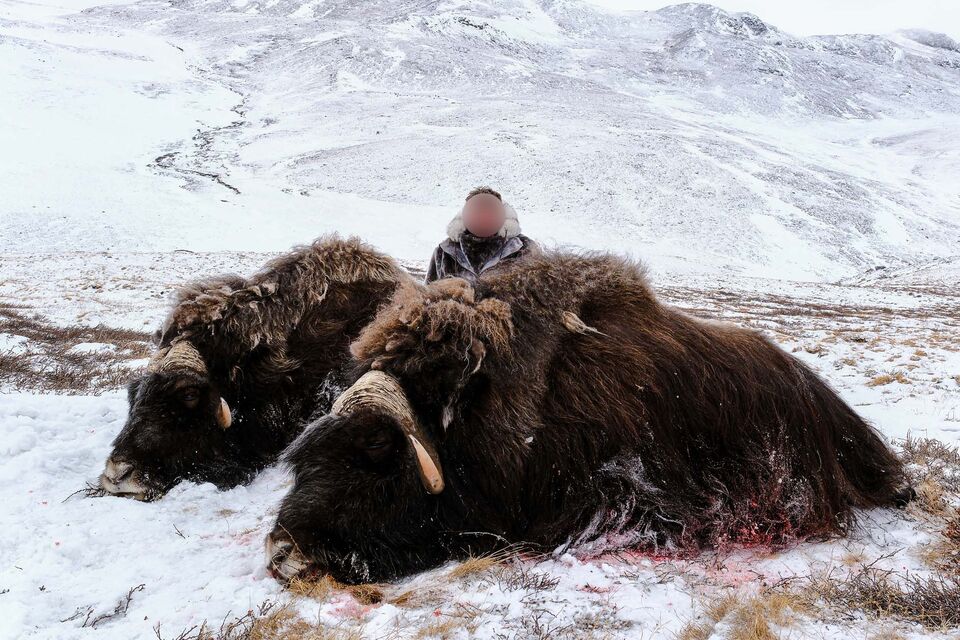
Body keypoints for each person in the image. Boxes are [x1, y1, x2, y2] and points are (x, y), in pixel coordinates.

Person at [425, 186, 539, 285]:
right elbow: (428, 295)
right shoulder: (445, 251)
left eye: (490, 211)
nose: (483, 216)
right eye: (477, 210)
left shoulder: (524, 248)